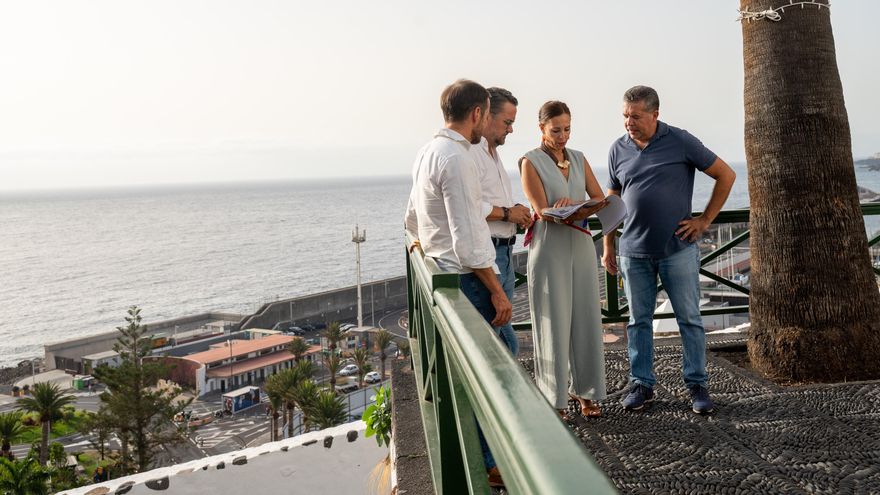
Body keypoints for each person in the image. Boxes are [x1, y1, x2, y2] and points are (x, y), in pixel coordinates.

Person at [404, 79, 512, 488]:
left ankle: (488, 456)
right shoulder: (459, 158)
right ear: (477, 114)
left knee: (473, 372)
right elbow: (469, 243)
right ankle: (492, 461)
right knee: (493, 373)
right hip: (468, 281)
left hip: (441, 277)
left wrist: (423, 247)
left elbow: (411, 218)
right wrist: (498, 290)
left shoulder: (427, 152)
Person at [602, 85, 735, 414]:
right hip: (632, 251)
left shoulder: (680, 140)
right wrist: (608, 244)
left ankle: (697, 385)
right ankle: (641, 384)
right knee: (638, 322)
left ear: (655, 114)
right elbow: (612, 201)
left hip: (677, 249)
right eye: (624, 116)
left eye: (635, 116)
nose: (628, 122)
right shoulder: (617, 149)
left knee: (689, 319)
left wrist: (705, 220)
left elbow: (726, 175)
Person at [520, 100, 608, 418]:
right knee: (553, 322)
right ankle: (553, 397)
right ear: (542, 128)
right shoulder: (529, 162)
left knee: (586, 317)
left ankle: (586, 391)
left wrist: (586, 205)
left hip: (582, 243)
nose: (562, 136)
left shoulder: (580, 159)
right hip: (550, 246)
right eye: (556, 130)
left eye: (567, 129)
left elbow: (599, 198)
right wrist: (573, 207)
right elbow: (541, 210)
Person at [470, 87, 532, 356]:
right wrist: (508, 214)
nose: (511, 130)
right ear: (484, 116)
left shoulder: (492, 153)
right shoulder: (472, 153)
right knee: (501, 346)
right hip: (490, 254)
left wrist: (514, 211)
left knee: (504, 342)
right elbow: (469, 206)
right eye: (507, 122)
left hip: (504, 253)